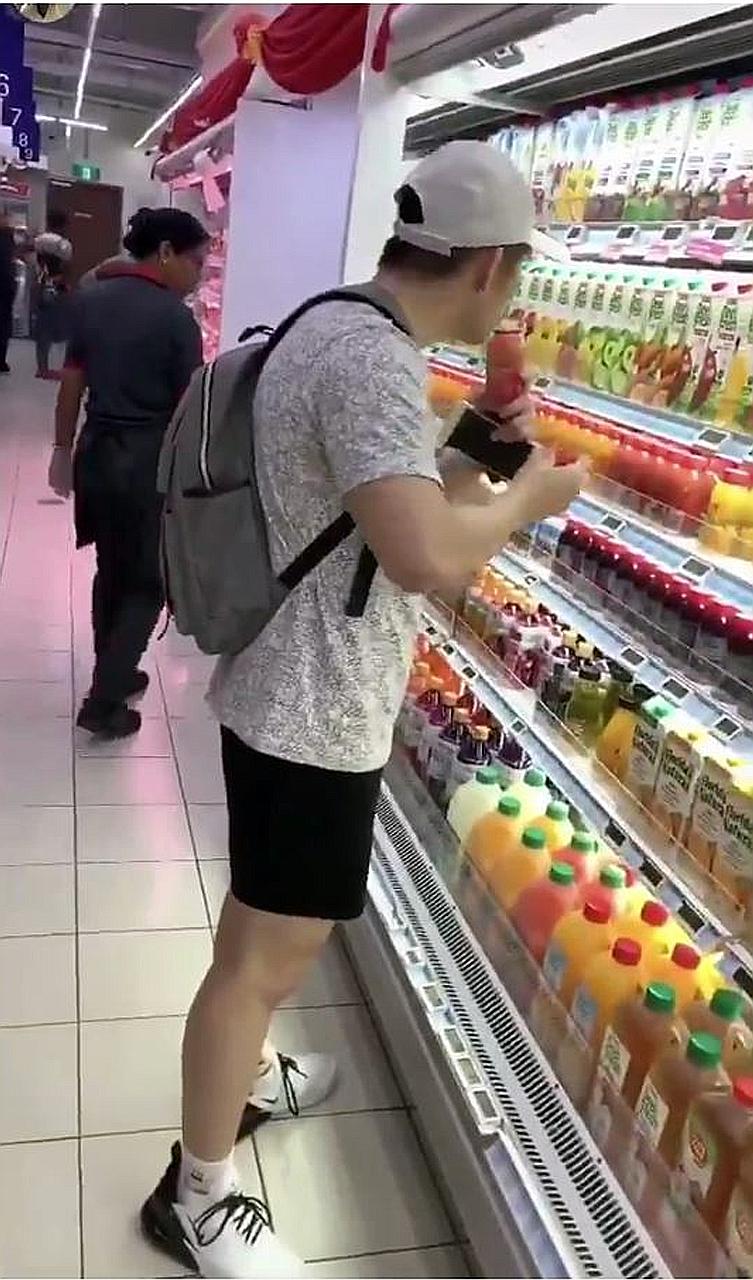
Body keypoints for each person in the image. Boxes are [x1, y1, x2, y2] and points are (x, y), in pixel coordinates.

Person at [140, 141, 588, 1278]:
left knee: (263, 929)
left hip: (291, 686)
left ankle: (245, 1076)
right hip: (309, 704)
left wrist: (483, 438)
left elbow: (383, 496)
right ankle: (196, 1193)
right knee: (265, 954)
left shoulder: (342, 324)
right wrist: (530, 496)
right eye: (519, 270)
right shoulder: (373, 361)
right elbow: (425, 550)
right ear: (489, 265)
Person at [47, 206, 208, 737]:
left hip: (96, 452)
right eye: (196, 262)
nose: (199, 274)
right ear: (165, 253)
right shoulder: (175, 319)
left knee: (111, 568)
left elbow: (72, 380)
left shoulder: (93, 300)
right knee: (148, 580)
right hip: (148, 462)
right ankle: (105, 699)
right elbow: (187, 409)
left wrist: (59, 449)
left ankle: (112, 668)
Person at [34, 210, 73, 379]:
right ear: (63, 225)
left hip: (40, 285)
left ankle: (41, 367)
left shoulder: (38, 240)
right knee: (59, 326)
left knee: (42, 329)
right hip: (56, 287)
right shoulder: (63, 244)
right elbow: (65, 267)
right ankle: (55, 369)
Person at [0, 216, 17, 374]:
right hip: (6, 287)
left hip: (5, 286)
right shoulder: (7, 238)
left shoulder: (7, 237)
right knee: (4, 324)